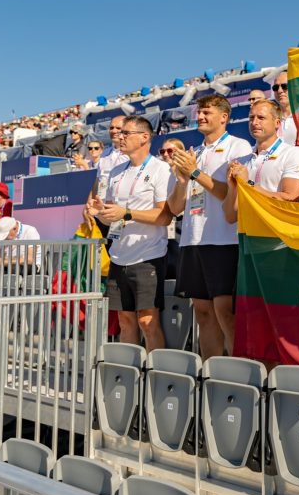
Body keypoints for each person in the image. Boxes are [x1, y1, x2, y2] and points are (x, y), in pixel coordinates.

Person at [167, 94, 253, 358]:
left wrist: (195, 173)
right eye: (199, 112)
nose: (200, 117)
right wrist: (183, 180)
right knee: (203, 313)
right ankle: (210, 372)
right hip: (193, 240)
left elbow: (232, 193)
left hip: (223, 240)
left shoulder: (238, 148)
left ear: (224, 117)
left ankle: (238, 372)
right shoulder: (195, 152)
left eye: (207, 112)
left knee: (225, 312)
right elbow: (174, 208)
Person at [88, 116, 173, 352]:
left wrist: (125, 213)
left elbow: (164, 216)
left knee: (147, 321)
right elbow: (112, 216)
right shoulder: (116, 171)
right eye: (120, 132)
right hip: (119, 254)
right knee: (125, 321)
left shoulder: (161, 169)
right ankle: (129, 378)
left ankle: (155, 376)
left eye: (126, 133)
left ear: (144, 137)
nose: (120, 137)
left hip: (148, 255)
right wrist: (98, 213)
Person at [223, 99, 299, 223]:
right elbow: (230, 217)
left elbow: (291, 201)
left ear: (277, 123)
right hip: (247, 236)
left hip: (278, 236)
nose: (254, 122)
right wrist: (232, 187)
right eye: (251, 118)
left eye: (261, 118)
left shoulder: (291, 154)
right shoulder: (242, 161)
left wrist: (248, 184)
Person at [158, 138, 185, 280]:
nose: (166, 154)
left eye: (170, 151)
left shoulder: (186, 172)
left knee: (179, 262)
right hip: (164, 221)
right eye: (162, 151)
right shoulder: (159, 173)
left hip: (180, 221)